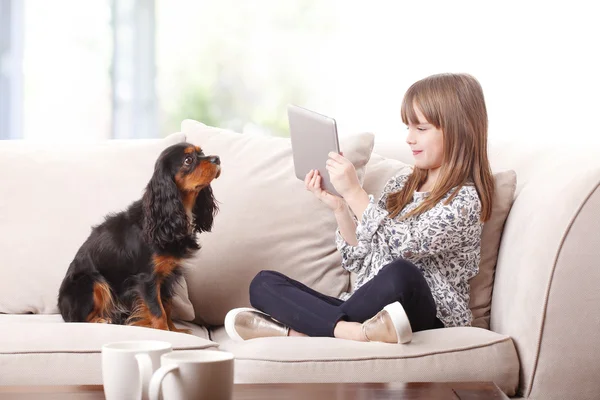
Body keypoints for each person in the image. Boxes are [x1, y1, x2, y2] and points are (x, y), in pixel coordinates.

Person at [224, 73, 494, 344]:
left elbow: (403, 247)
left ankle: (303, 331)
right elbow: (362, 261)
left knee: (402, 273)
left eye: (421, 129)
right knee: (263, 283)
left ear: (461, 130)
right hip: (373, 312)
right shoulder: (402, 185)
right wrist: (340, 206)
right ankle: (353, 332)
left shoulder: (464, 200)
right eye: (408, 128)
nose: (409, 139)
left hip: (426, 314)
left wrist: (355, 192)